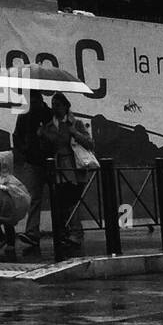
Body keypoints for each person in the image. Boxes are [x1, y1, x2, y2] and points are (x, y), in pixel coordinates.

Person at [38, 91, 95, 257]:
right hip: (57, 167)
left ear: (65, 106)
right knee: (61, 202)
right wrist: (41, 135)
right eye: (53, 105)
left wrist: (74, 133)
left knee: (72, 201)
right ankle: (64, 232)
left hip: (74, 168)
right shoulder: (49, 126)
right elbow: (46, 147)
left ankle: (76, 232)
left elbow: (90, 143)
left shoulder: (75, 123)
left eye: (58, 105)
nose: (55, 108)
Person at [13, 90, 51, 253]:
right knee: (35, 198)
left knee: (54, 198)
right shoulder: (25, 115)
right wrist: (24, 151)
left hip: (49, 161)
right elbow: (17, 135)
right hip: (35, 161)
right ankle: (32, 232)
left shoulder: (48, 114)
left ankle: (62, 230)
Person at [0, 150, 31, 260]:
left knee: (8, 224)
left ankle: (10, 243)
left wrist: (3, 187)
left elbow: (17, 189)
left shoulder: (9, 178)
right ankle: (1, 238)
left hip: (7, 204)